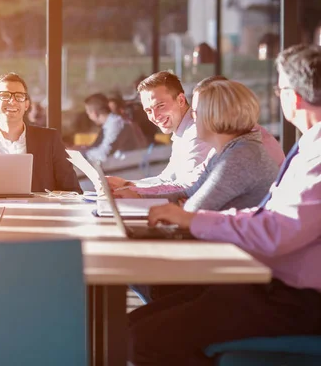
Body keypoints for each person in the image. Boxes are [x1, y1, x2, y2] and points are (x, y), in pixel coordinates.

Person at [129, 44, 321, 366]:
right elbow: (270, 216)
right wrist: (196, 218)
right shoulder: (308, 146)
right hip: (272, 284)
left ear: (294, 97)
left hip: (297, 300)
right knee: (134, 327)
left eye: (280, 87)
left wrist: (194, 220)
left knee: (141, 338)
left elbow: (279, 231)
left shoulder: (311, 154)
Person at [114, 80, 279, 212]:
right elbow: (187, 190)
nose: (192, 117)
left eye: (196, 111)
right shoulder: (222, 152)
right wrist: (137, 195)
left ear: (215, 115)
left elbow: (193, 208)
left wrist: (181, 206)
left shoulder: (241, 155)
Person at [107, 71, 214, 191]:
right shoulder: (181, 132)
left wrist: (133, 190)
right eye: (148, 110)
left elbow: (187, 187)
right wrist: (125, 185)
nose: (155, 116)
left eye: (160, 106)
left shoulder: (196, 132)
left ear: (181, 100)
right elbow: (166, 179)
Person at [82, 93, 147, 162]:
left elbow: (104, 153)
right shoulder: (109, 124)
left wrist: (82, 155)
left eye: (88, 113)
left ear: (94, 113)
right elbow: (99, 148)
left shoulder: (114, 124)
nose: (89, 117)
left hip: (132, 166)